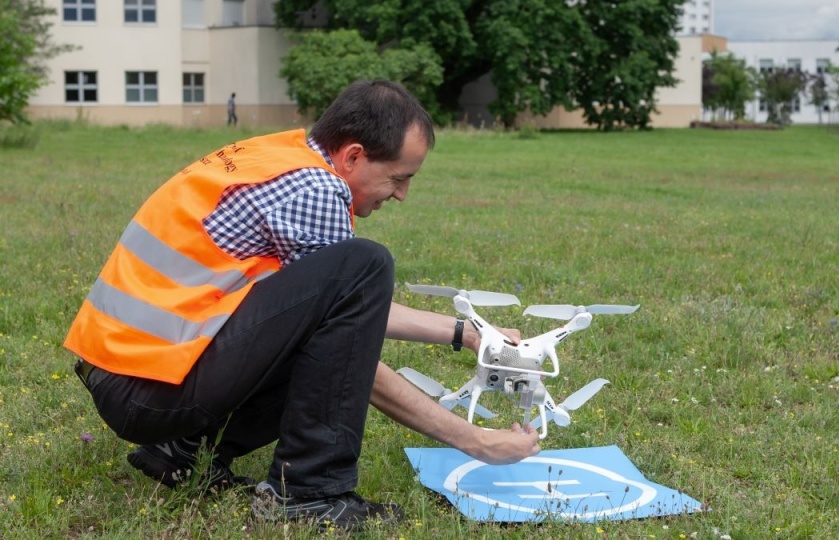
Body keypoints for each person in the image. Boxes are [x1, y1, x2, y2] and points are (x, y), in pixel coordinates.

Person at [64, 80, 541, 530]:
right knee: (366, 263)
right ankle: (310, 494)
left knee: (353, 276)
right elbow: (349, 351)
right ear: (354, 155)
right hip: (146, 392)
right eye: (399, 178)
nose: (402, 194)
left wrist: (466, 333)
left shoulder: (283, 156)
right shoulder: (318, 190)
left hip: (132, 379)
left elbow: (332, 315)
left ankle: (184, 450)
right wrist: (473, 440)